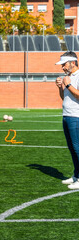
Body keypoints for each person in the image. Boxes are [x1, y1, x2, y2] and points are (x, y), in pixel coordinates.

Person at [55, 51, 79, 190]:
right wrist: (61, 87)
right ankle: (76, 175)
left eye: (64, 64)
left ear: (73, 62)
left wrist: (69, 85)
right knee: (72, 148)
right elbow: (65, 98)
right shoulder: (68, 77)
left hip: (76, 117)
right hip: (67, 115)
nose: (62, 67)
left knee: (77, 148)